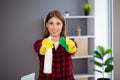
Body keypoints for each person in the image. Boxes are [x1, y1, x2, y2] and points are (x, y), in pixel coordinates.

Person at [34, 10, 77, 80]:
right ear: (46, 25)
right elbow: (39, 50)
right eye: (51, 23)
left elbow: (73, 50)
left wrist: (72, 47)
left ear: (63, 25)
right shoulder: (39, 44)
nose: (55, 27)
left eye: (58, 23)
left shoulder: (69, 43)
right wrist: (44, 48)